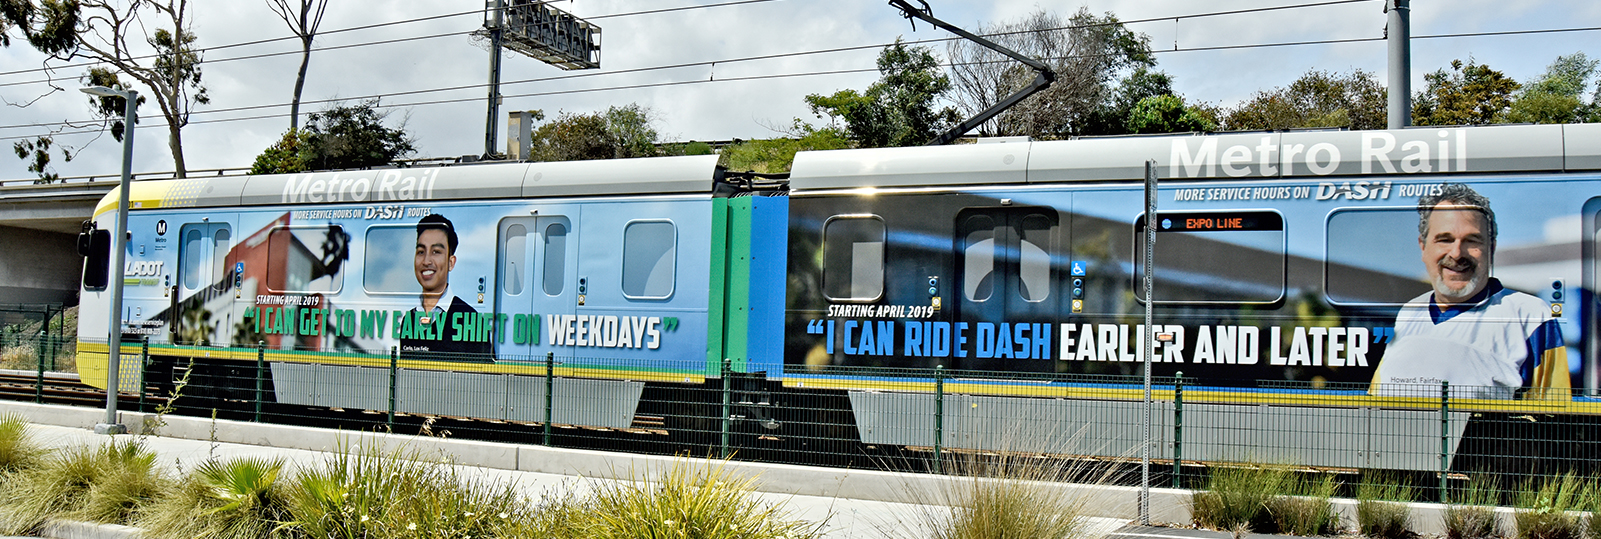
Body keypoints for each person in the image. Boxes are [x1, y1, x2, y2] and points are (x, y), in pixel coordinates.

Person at [1371, 183, 1568, 400]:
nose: (1456, 253)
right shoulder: (1409, 312)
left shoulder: (1530, 315)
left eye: (1472, 241)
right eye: (1444, 239)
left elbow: (1554, 417)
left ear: (1491, 249)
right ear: (1423, 247)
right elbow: (1376, 396)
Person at [400, 213, 492, 360]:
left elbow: (483, 378)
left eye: (436, 252)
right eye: (421, 252)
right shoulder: (409, 319)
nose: (426, 261)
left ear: (451, 262)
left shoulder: (472, 319)